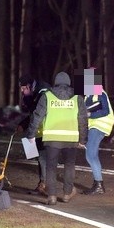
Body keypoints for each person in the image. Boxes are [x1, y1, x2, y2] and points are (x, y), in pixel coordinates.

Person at [26, 71, 88, 205]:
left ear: (55, 82)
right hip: (71, 139)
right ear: (69, 83)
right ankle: (67, 193)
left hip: (52, 138)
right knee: (69, 166)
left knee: (51, 167)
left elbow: (37, 116)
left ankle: (52, 196)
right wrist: (83, 140)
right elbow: (83, 120)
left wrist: (30, 134)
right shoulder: (77, 97)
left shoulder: (47, 96)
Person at [81, 69, 114, 195]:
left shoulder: (99, 92)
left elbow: (105, 111)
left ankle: (99, 184)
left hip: (99, 126)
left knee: (90, 155)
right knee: (92, 155)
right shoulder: (89, 95)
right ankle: (98, 184)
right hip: (95, 127)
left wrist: (90, 114)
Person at [17, 74, 50, 195]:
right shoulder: (34, 94)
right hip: (40, 131)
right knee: (41, 157)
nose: (21, 91)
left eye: (23, 88)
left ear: (30, 86)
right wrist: (24, 124)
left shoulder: (43, 93)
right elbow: (33, 114)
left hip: (47, 131)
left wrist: (29, 134)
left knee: (43, 157)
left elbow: (38, 115)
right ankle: (44, 183)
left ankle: (44, 184)